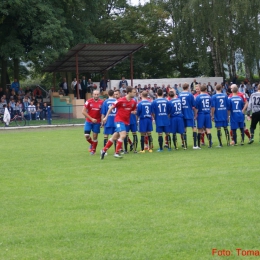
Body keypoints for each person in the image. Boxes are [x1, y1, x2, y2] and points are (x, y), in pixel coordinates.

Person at [100, 86, 137, 159]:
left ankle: (103, 150)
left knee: (114, 137)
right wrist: (106, 117)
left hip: (126, 121)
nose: (135, 93)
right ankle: (116, 152)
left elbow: (133, 110)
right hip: (118, 120)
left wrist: (134, 112)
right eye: (134, 92)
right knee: (123, 135)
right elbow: (111, 107)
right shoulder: (120, 100)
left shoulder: (133, 102)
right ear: (129, 93)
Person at [82, 90, 104, 155]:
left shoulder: (102, 102)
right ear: (92, 94)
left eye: (97, 94)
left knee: (95, 137)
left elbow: (103, 113)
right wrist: (91, 119)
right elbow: (83, 111)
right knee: (86, 135)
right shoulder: (88, 101)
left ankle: (93, 150)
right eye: (95, 94)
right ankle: (92, 143)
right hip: (89, 121)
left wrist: (102, 121)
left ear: (99, 95)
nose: (96, 96)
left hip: (97, 122)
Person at [178, 83, 199, 149]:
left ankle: (185, 145)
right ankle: (195, 145)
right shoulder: (190, 95)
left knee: (184, 129)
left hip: (182, 114)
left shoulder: (179, 95)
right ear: (188, 87)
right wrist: (195, 114)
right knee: (194, 128)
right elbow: (194, 105)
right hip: (189, 113)